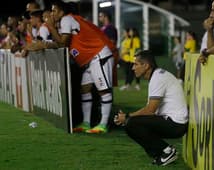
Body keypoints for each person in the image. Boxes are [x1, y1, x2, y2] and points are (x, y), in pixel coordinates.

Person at [26, 1, 117, 134]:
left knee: (103, 91)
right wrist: (44, 43)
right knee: (84, 89)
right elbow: (61, 42)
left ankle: (103, 124)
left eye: (54, 10)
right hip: (90, 58)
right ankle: (86, 123)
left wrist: (50, 28)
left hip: (98, 54)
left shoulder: (67, 19)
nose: (52, 14)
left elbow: (62, 43)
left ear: (62, 12)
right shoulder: (66, 22)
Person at [114, 50, 188, 166]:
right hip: (174, 122)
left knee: (132, 124)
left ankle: (166, 152)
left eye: (136, 64)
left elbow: (150, 110)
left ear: (146, 65)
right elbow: (151, 111)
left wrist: (128, 116)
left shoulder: (158, 78)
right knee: (132, 123)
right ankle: (163, 153)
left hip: (176, 124)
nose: (133, 68)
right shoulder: (157, 75)